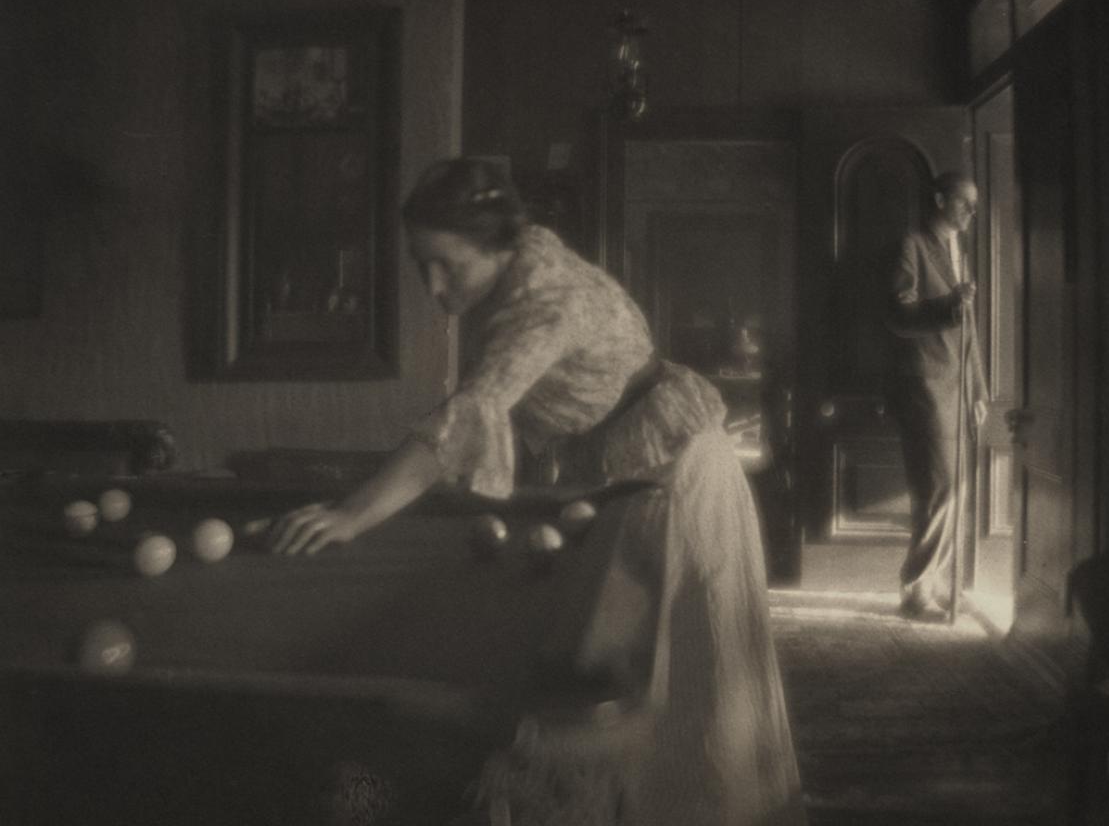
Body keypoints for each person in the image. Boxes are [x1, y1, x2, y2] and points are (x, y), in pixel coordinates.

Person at [268, 158, 805, 825]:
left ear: (496, 248)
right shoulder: (521, 255)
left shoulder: (542, 302)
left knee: (702, 691)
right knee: (664, 690)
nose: (433, 286)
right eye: (421, 264)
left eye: (448, 266)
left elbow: (464, 419)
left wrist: (353, 513)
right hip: (635, 472)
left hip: (680, 476)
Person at [885, 172, 989, 622]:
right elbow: (898, 314)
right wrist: (948, 304)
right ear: (940, 200)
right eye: (964, 203)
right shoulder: (912, 244)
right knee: (940, 487)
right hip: (924, 384)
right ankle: (915, 589)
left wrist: (979, 387)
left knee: (953, 485)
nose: (971, 212)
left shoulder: (958, 250)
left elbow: (968, 329)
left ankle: (929, 584)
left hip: (957, 386)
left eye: (974, 205)